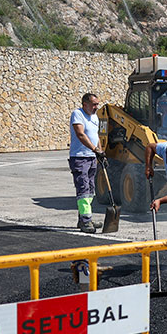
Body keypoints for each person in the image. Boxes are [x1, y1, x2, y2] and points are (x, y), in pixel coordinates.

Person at [69, 92, 104, 234]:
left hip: (91, 157)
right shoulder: (77, 114)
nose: (96, 107)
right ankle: (85, 221)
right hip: (80, 157)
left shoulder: (95, 117)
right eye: (94, 104)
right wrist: (95, 149)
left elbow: (96, 136)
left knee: (90, 190)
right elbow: (80, 134)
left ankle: (84, 218)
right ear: (85, 104)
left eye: (97, 104)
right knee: (83, 189)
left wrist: (100, 153)